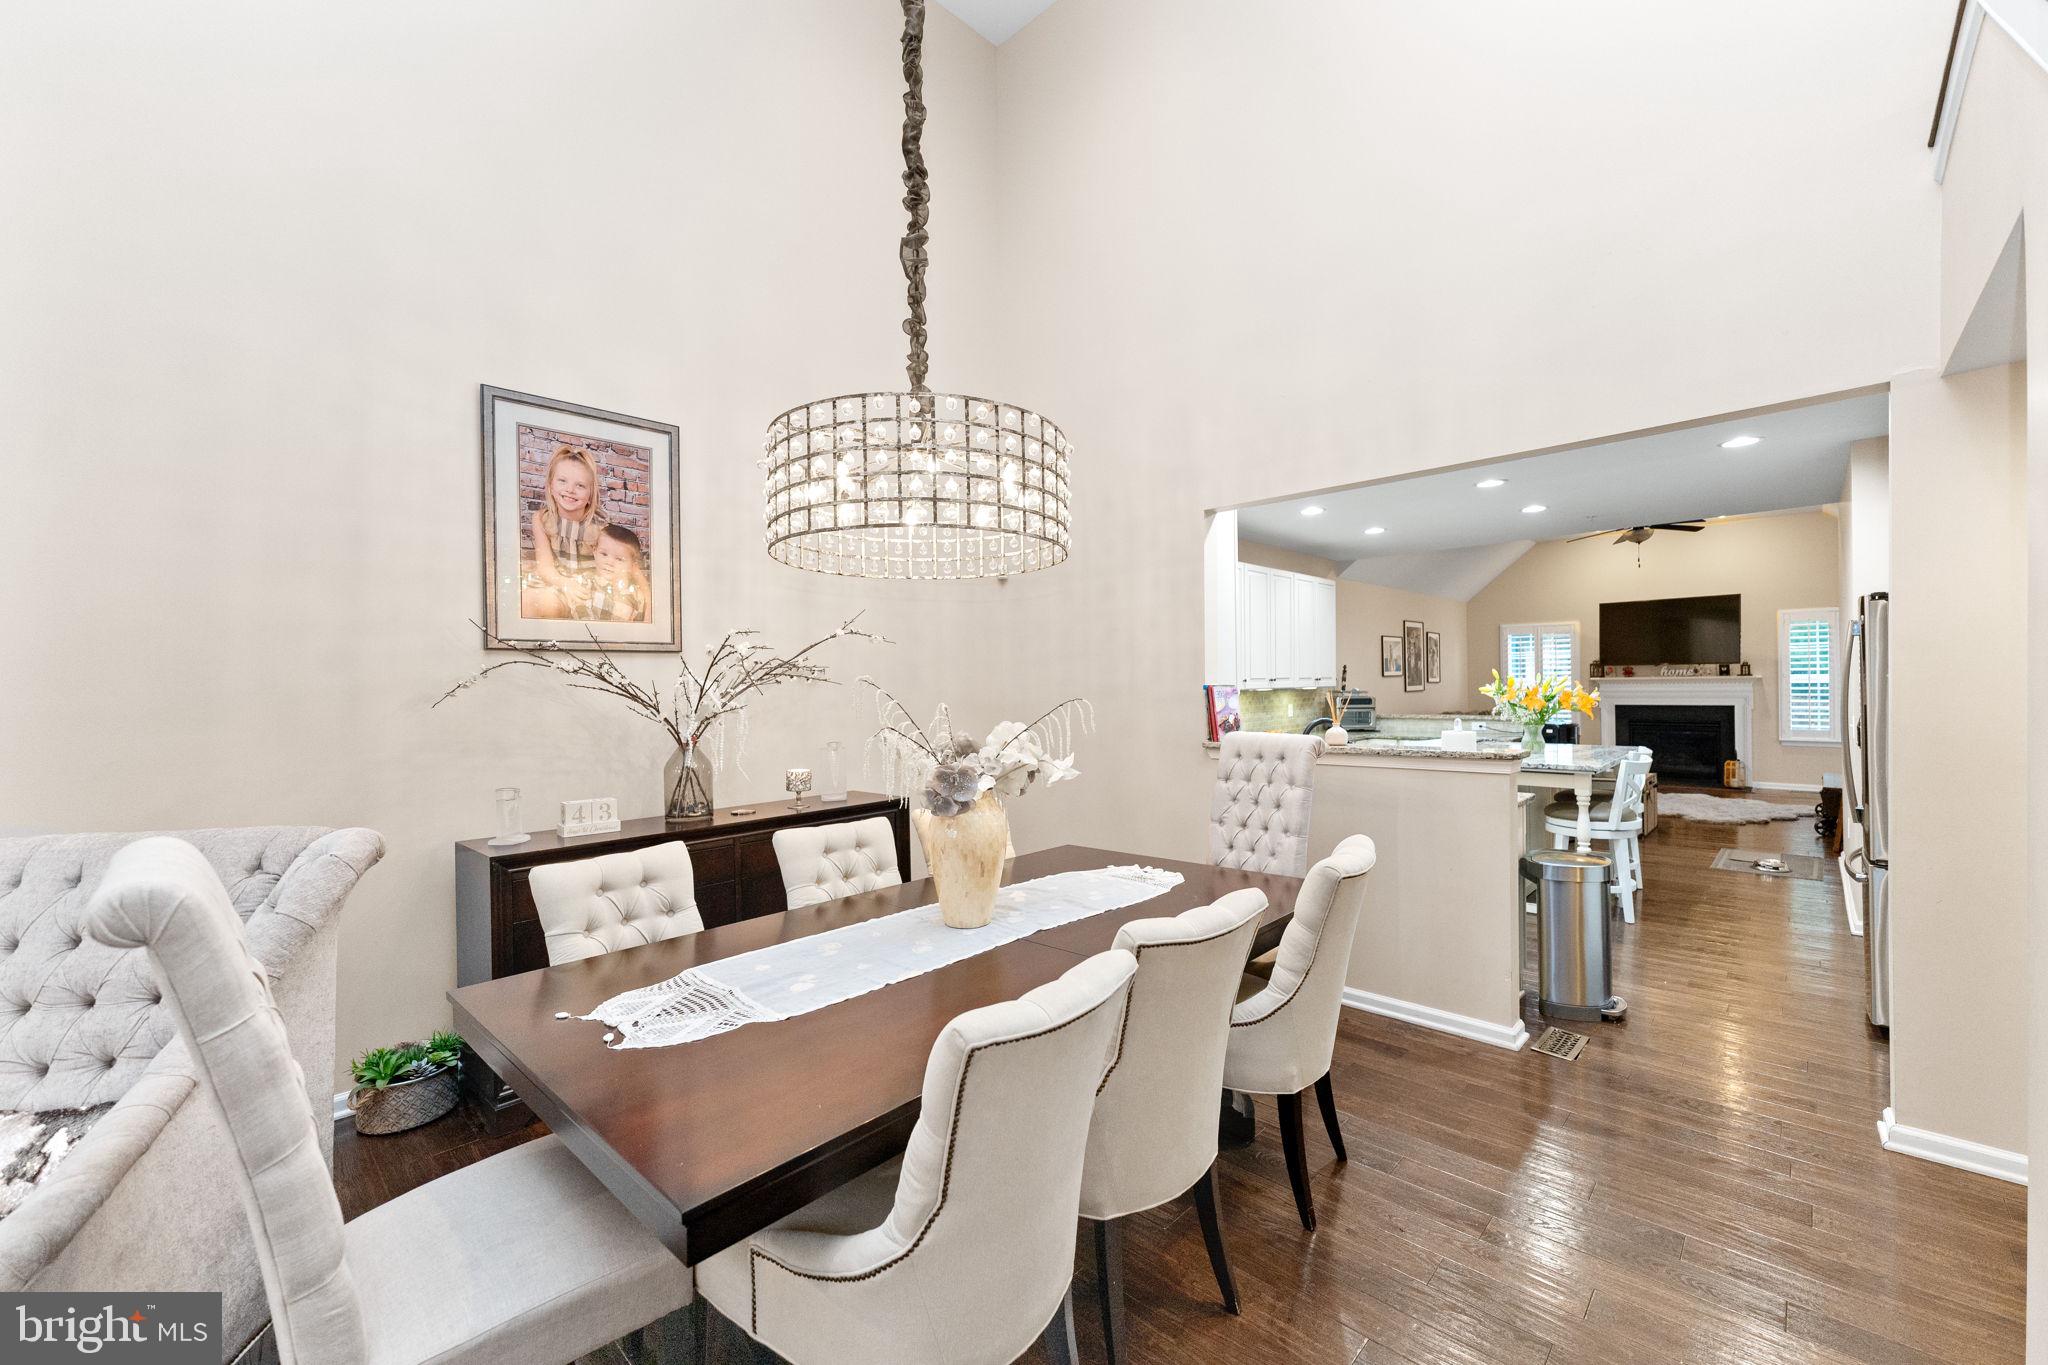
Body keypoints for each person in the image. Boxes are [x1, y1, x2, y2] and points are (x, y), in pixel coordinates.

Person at [528, 444, 609, 589]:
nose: (570, 490)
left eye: (580, 485)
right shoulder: (541, 519)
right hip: (557, 585)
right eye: (562, 481)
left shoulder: (602, 527)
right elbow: (545, 567)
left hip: (588, 591)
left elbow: (626, 568)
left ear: (590, 494)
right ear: (550, 486)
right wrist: (567, 586)